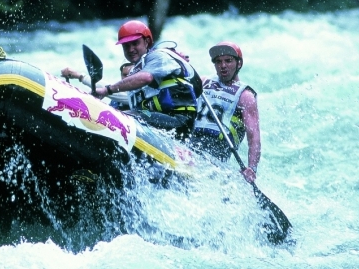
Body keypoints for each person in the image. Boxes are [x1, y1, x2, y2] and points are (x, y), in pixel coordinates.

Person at [94, 20, 200, 138]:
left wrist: (107, 90)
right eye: (126, 46)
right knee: (122, 112)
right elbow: (126, 98)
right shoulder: (136, 71)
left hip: (180, 121)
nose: (130, 49)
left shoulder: (159, 55)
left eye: (135, 43)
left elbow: (146, 78)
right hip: (158, 119)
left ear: (147, 41)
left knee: (128, 116)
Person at [191, 42, 260, 184]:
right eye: (218, 61)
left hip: (217, 150)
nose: (223, 66)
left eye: (228, 61)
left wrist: (252, 169)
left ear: (238, 64)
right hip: (192, 141)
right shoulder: (203, 81)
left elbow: (254, 138)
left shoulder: (245, 96)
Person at [60, 62, 133, 109]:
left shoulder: (142, 93)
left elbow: (128, 98)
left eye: (132, 73)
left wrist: (80, 76)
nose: (128, 77)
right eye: (125, 75)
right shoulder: (115, 100)